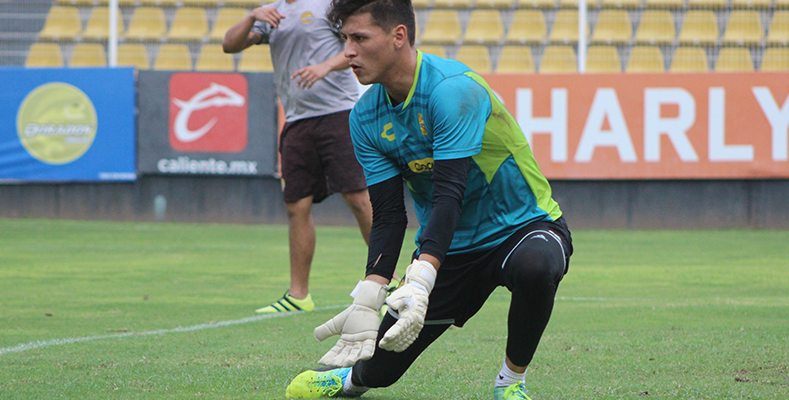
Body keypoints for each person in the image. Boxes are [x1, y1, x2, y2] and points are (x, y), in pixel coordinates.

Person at [283, 0, 574, 397]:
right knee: (381, 366)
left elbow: (449, 192)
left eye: (359, 38)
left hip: (522, 225)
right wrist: (371, 290)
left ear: (398, 36)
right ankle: (347, 380)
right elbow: (387, 214)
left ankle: (511, 383)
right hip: (450, 243)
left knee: (536, 266)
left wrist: (421, 276)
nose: (347, 51)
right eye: (344, 38)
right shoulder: (365, 116)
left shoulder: (451, 89)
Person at [223, 0, 374, 314]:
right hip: (296, 120)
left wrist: (325, 66)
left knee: (359, 199)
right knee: (296, 206)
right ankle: (299, 296)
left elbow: (359, 48)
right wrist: (251, 17)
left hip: (338, 114)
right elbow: (229, 45)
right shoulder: (272, 13)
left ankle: (388, 281)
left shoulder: (327, 6)